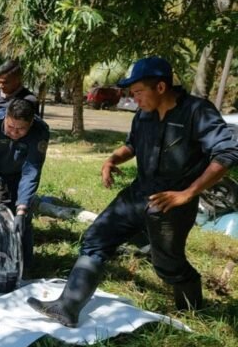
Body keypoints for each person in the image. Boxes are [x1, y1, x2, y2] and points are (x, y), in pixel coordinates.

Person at [27, 56, 238, 327]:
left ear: (160, 88)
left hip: (171, 202)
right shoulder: (144, 115)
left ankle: (193, 311)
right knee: (96, 237)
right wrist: (113, 159)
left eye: (138, 92)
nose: (133, 98)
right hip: (138, 193)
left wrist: (187, 193)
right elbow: (134, 145)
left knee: (167, 264)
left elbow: (227, 152)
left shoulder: (197, 111)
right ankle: (67, 306)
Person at [0, 98, 49, 270]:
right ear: (5, 118)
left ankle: (24, 267)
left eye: (21, 129)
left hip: (19, 175)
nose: (15, 133)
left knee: (22, 219)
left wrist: (22, 209)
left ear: (31, 124)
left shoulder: (40, 131)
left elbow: (31, 171)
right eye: (10, 127)